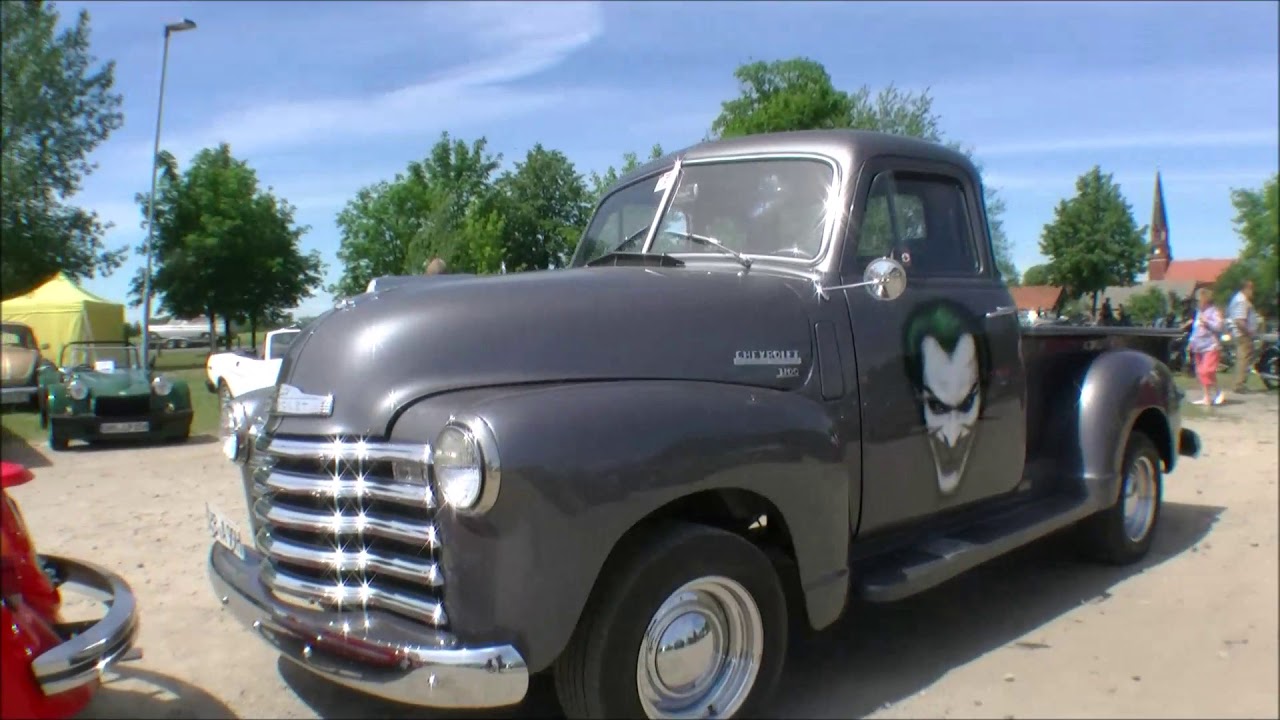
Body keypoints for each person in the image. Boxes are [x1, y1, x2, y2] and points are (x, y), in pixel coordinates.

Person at [1188, 288, 1226, 406]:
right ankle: (1207, 397)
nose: (1197, 302)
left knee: (1207, 370)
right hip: (1198, 346)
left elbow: (1219, 326)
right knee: (1200, 371)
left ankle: (1218, 392)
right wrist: (1191, 342)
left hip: (1211, 345)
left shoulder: (1214, 311)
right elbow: (1195, 329)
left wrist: (1207, 323)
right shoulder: (1199, 312)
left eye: (1199, 299)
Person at [1227, 278, 1260, 393]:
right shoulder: (1242, 301)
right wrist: (1249, 332)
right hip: (1243, 334)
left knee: (1243, 358)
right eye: (1251, 288)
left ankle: (1239, 383)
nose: (1253, 291)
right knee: (1244, 359)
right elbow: (1239, 321)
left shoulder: (1238, 299)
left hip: (1240, 334)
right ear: (1246, 288)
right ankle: (1239, 385)